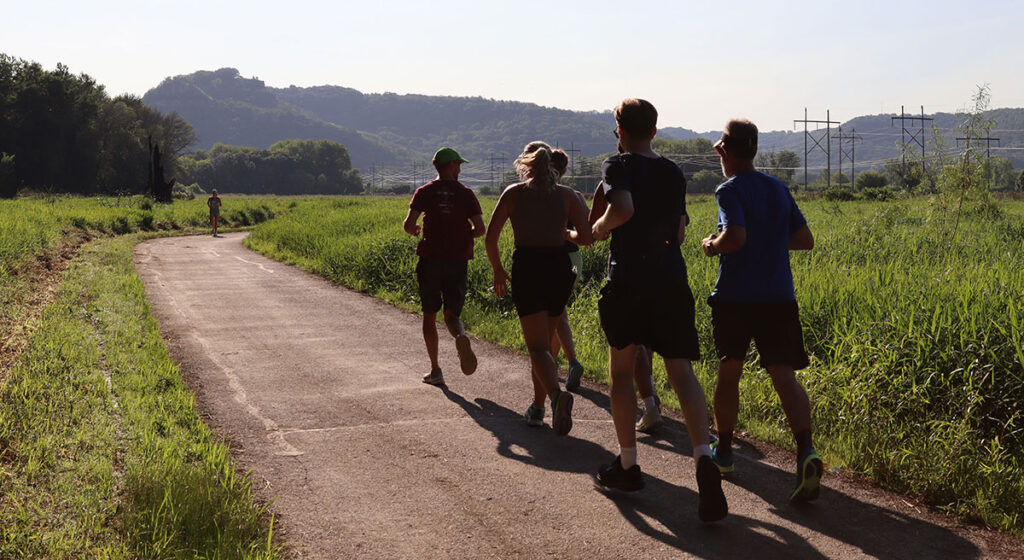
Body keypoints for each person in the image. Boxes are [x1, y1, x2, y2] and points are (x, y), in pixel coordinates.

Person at [591, 98, 726, 522]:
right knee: (681, 369)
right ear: (654, 129)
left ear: (620, 130)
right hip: (671, 277)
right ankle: (704, 457)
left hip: (629, 278)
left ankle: (629, 465)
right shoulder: (672, 171)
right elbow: (681, 230)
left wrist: (595, 230)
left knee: (621, 371)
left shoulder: (618, 165)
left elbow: (623, 210)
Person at [700, 119, 820, 502]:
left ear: (725, 152)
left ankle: (723, 452)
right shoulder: (777, 187)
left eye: (719, 151)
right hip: (779, 298)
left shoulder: (729, 189)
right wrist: (768, 240)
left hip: (736, 297)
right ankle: (806, 451)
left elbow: (734, 237)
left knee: (729, 371)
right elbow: (804, 240)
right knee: (784, 377)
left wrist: (712, 245)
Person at [485, 141, 593, 435]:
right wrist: (564, 231)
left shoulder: (514, 193)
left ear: (526, 165)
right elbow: (585, 238)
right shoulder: (569, 195)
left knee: (537, 348)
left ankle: (557, 397)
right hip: (559, 269)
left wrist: (498, 270)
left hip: (528, 268)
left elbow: (490, 239)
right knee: (545, 347)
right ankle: (538, 406)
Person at [403, 147, 485, 386]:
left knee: (429, 316)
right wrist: (463, 233)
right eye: (458, 165)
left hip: (430, 260)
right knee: (451, 314)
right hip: (457, 260)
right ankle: (460, 335)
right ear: (451, 166)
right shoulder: (466, 193)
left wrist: (416, 230)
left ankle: (436, 369)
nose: (459, 169)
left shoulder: (424, 192)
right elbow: (480, 229)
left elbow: (409, 225)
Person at [548, 148, 587, 391]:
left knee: (558, 312)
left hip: (558, 258)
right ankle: (553, 363)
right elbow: (589, 229)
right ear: (564, 170)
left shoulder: (546, 195)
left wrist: (562, 233)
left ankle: (571, 361)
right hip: (575, 258)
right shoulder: (575, 195)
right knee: (558, 311)